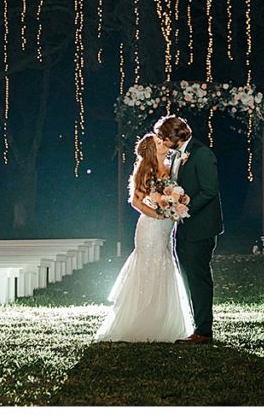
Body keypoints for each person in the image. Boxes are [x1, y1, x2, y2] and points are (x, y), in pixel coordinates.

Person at [94, 133, 194, 343]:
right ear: (151, 149)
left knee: (165, 263)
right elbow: (136, 202)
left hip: (167, 226)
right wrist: (158, 214)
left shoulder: (170, 167)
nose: (164, 143)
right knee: (150, 264)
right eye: (159, 142)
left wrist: (176, 202)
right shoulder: (144, 170)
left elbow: (174, 191)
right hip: (150, 226)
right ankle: (144, 321)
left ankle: (164, 319)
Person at [153, 114, 222, 345]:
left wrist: (186, 208)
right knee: (188, 278)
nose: (161, 141)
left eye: (163, 137)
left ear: (174, 136)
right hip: (183, 228)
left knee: (198, 278)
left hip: (200, 228)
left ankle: (204, 331)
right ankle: (195, 325)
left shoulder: (202, 153)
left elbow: (210, 190)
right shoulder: (177, 155)